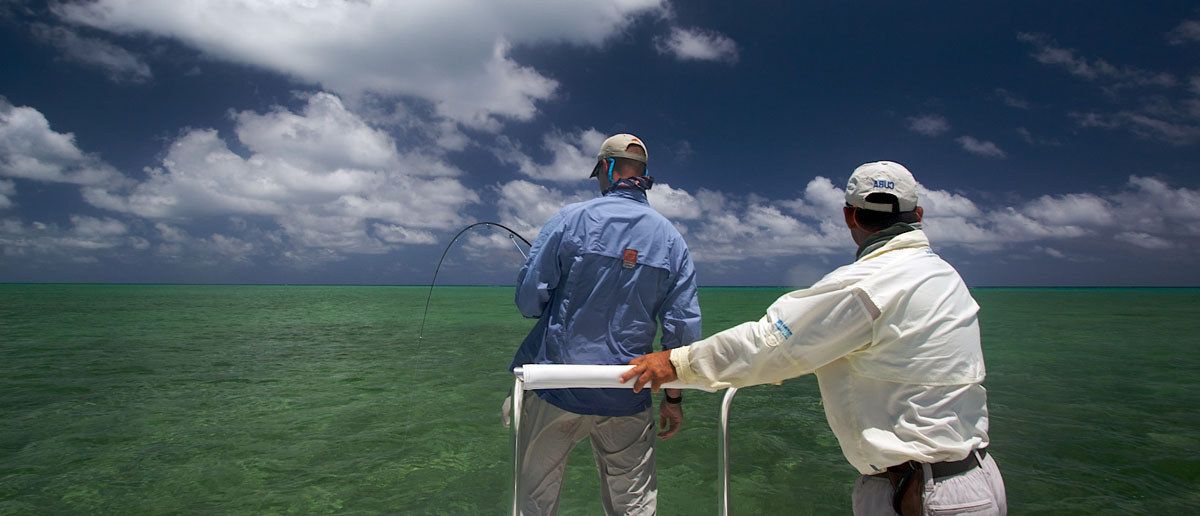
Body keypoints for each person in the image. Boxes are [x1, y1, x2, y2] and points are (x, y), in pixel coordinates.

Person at [621, 161, 1007, 515]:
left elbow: (770, 344)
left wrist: (674, 363)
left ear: (849, 215)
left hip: (924, 496)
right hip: (978, 479)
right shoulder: (945, 276)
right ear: (918, 215)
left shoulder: (864, 285)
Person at [508, 133, 702, 515]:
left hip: (558, 388)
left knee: (535, 499)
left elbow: (529, 301)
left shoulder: (570, 219)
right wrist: (674, 398)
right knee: (633, 505)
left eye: (599, 170)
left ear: (607, 168)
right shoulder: (672, 240)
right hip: (628, 390)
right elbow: (683, 331)